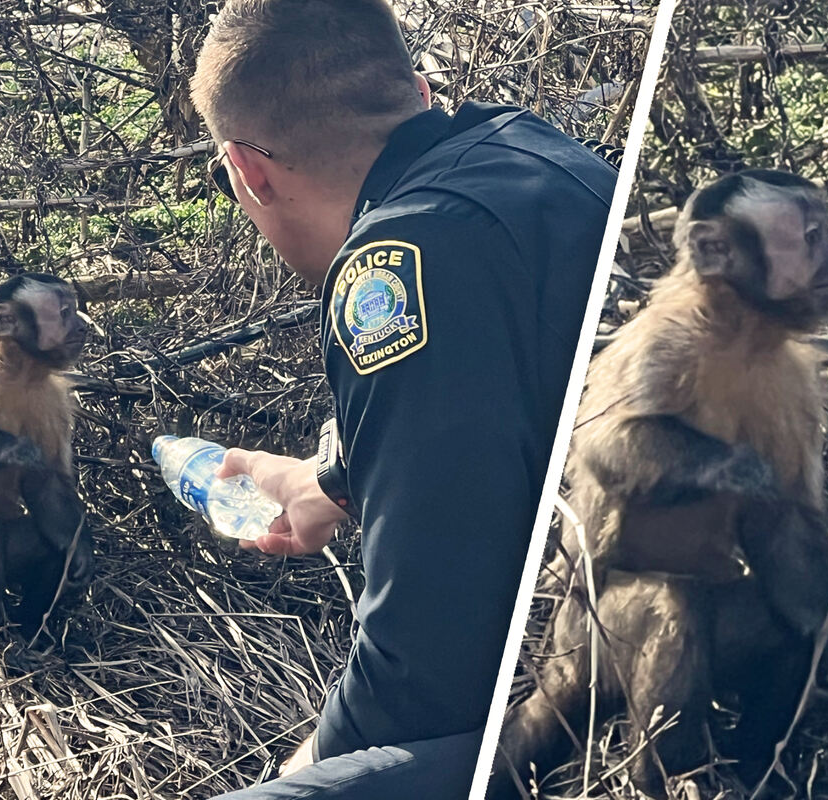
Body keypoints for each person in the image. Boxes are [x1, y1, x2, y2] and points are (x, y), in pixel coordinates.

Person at [189, 1, 617, 797]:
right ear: (419, 94)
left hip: (577, 694)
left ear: (247, 170)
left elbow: (428, 662)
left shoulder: (394, 262)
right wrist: (328, 480)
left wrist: (314, 761)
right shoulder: (528, 148)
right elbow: (506, 389)